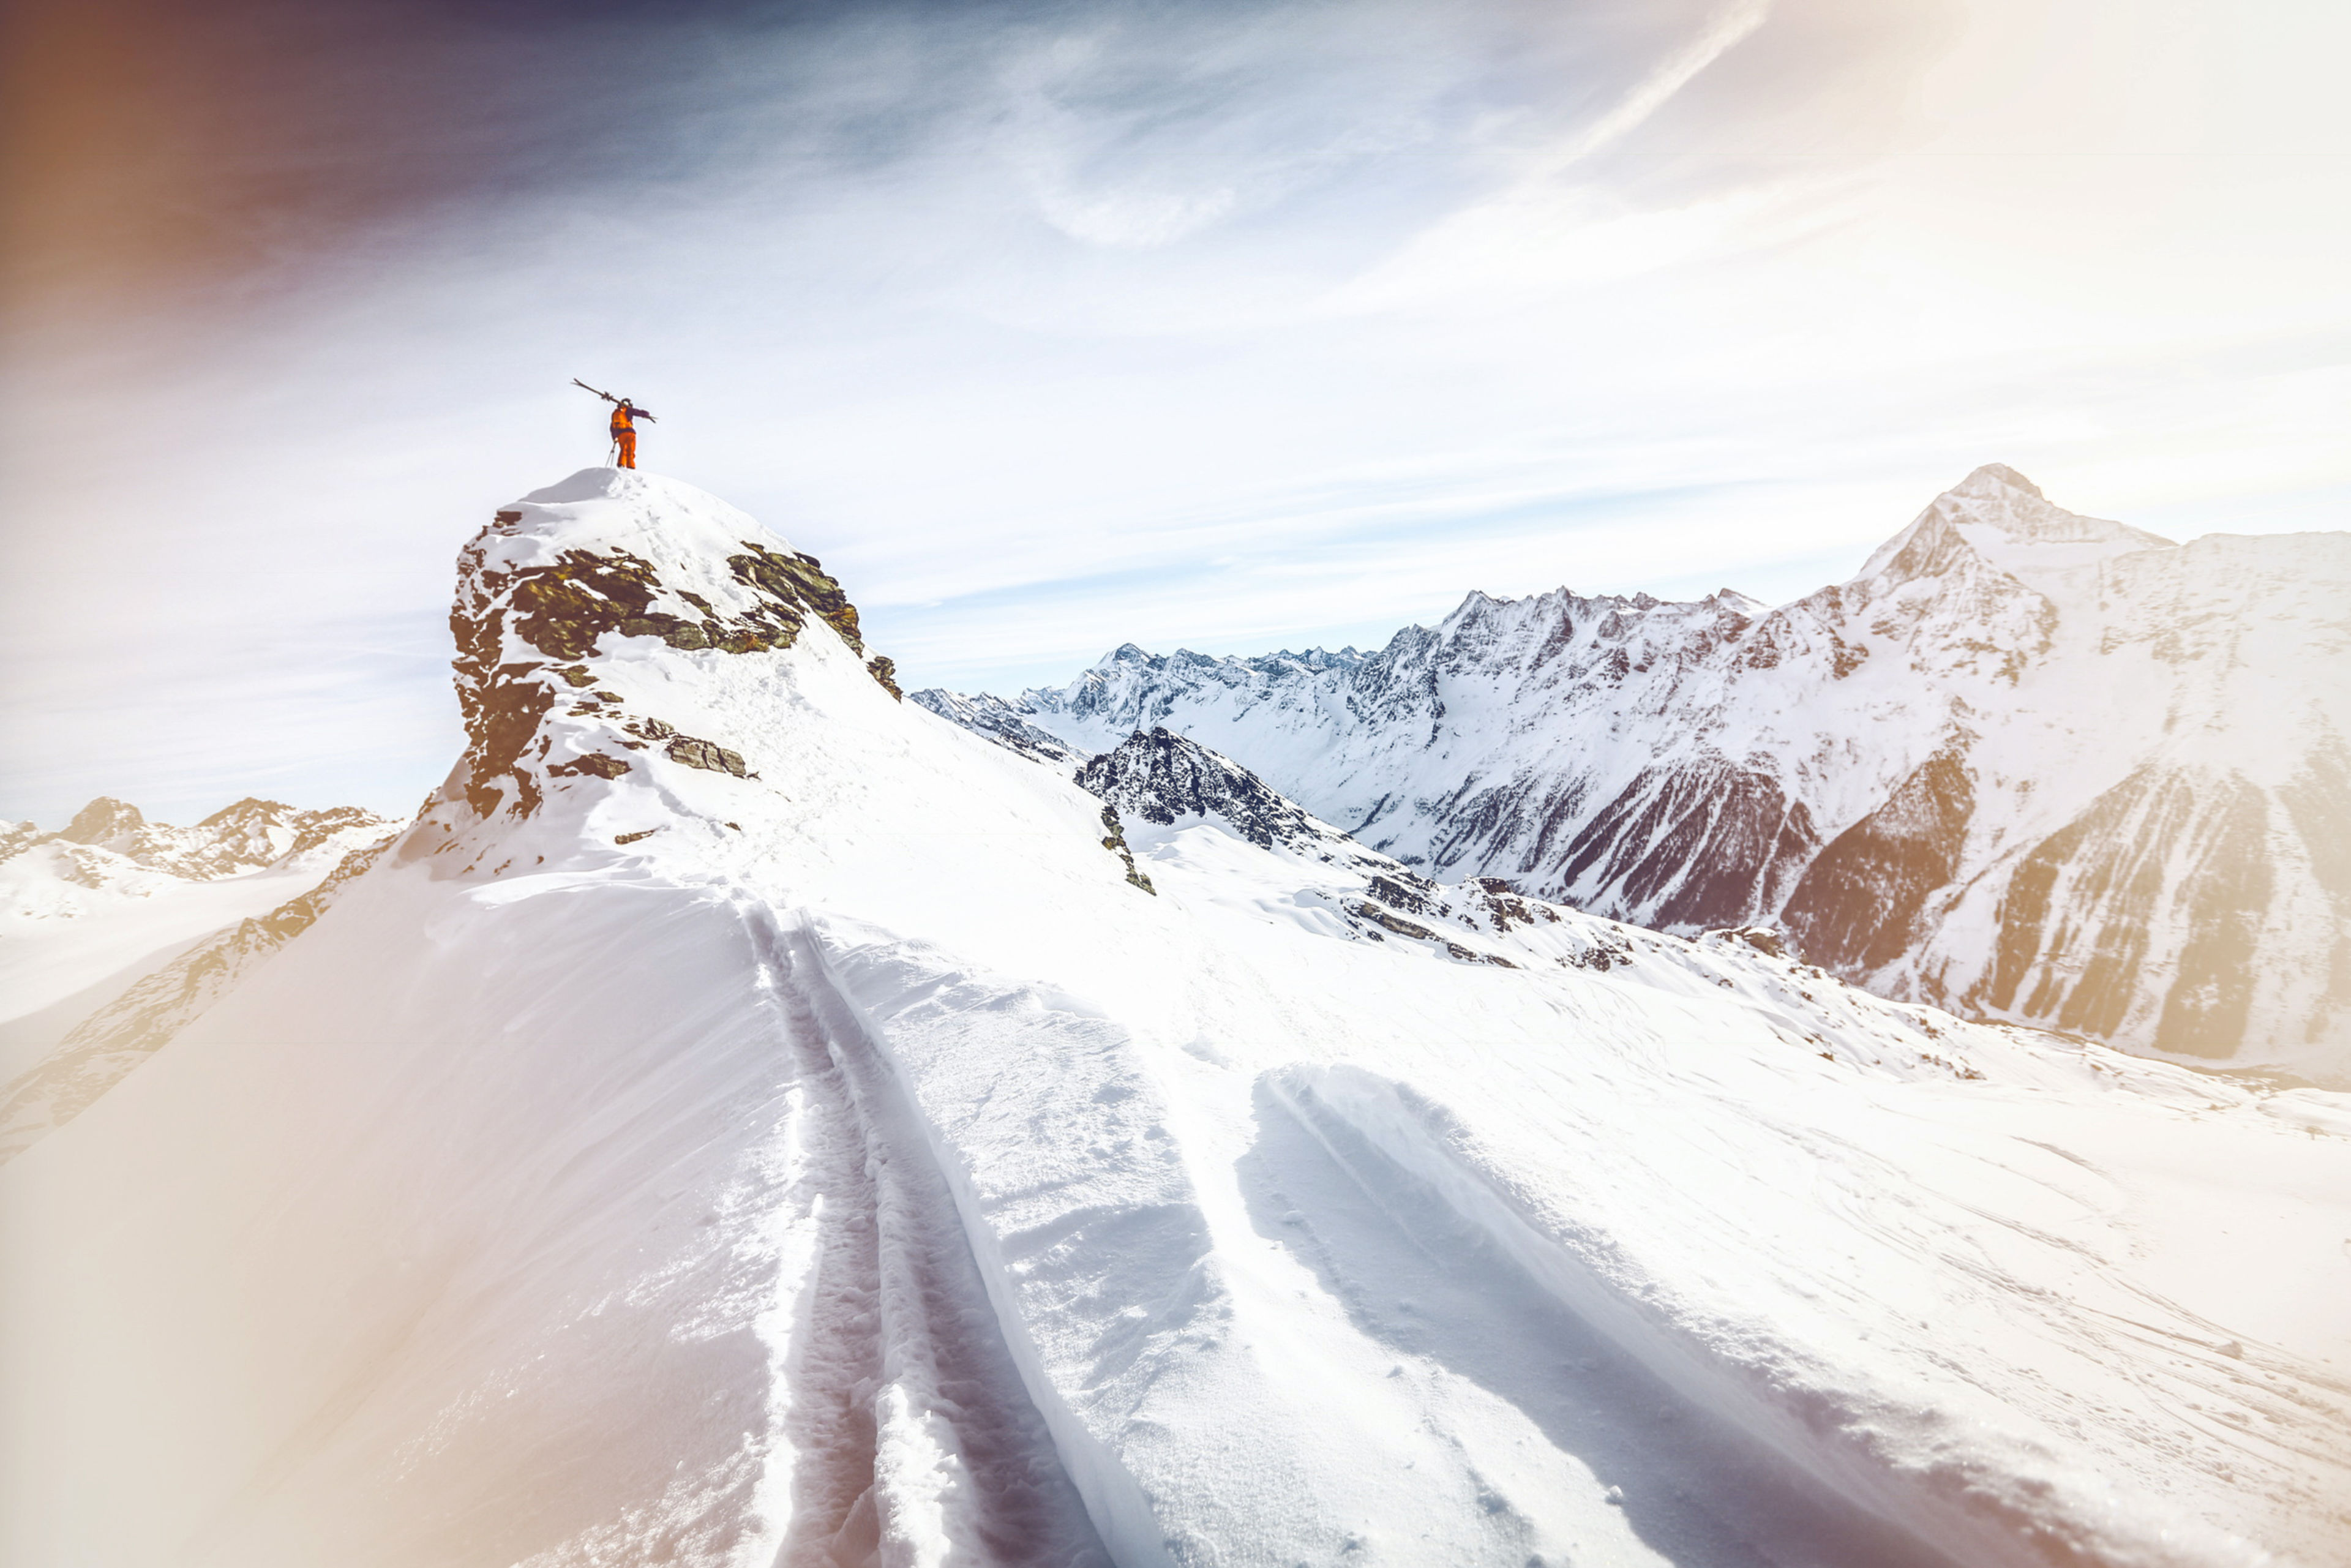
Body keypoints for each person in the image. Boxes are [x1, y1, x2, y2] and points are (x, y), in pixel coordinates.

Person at [610, 399, 643, 468]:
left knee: (624, 449)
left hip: (620, 435)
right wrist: (646, 414)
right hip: (629, 433)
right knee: (630, 450)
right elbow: (638, 412)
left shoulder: (615, 414)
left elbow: (612, 427)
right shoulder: (628, 410)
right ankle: (630, 466)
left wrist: (614, 438)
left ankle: (621, 464)